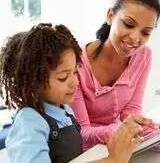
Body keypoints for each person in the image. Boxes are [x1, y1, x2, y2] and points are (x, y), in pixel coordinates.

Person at [0, 23, 141, 163]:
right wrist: (112, 160)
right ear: (34, 81)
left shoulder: (66, 111)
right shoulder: (29, 121)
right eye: (63, 77)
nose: (74, 82)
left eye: (74, 72)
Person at [71, 0, 160, 151]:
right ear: (110, 16)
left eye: (146, 32)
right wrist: (122, 131)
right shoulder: (75, 61)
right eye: (129, 24)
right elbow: (82, 133)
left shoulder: (143, 56)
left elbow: (131, 110)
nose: (135, 38)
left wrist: (157, 131)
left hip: (119, 147)